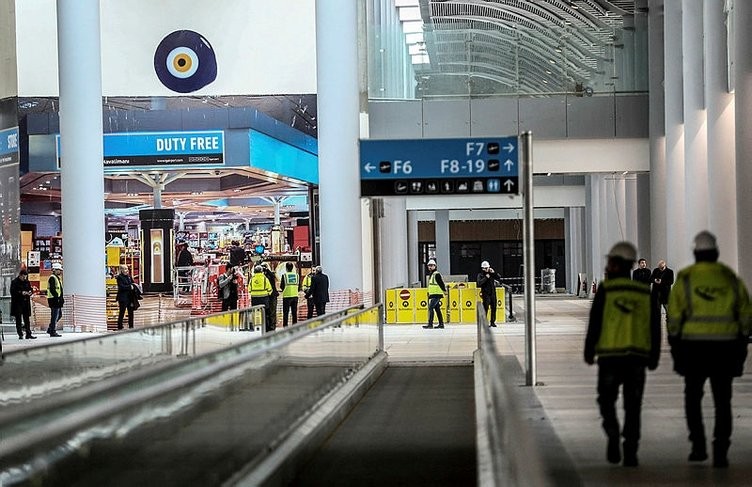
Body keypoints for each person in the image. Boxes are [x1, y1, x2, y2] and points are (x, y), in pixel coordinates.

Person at [667, 231, 751, 468]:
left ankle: (698, 446)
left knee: (693, 398)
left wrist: (675, 343)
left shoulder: (685, 278)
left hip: (694, 348)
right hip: (725, 348)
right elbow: (746, 314)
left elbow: (674, 316)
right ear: (716, 253)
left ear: (695, 253)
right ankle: (721, 449)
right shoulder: (730, 278)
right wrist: (741, 339)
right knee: (723, 400)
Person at [584, 242, 660, 467]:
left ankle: (613, 434)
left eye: (610, 262)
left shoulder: (607, 291)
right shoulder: (643, 293)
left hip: (610, 357)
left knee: (606, 401)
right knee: (633, 405)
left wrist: (589, 349)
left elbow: (595, 323)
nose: (607, 266)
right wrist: (654, 354)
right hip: (637, 358)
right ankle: (631, 449)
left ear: (618, 265)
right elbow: (654, 326)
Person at [11, 269, 35, 339]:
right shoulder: (14, 282)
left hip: (25, 302)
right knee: (18, 319)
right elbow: (13, 292)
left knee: (27, 319)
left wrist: (30, 292)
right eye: (23, 277)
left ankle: (28, 333)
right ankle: (20, 334)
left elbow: (30, 289)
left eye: (25, 277)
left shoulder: (27, 282)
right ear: (20, 275)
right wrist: (21, 292)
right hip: (18, 303)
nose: (24, 278)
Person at [477, 260, 502, 327]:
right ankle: (485, 323)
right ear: (483, 268)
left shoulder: (491, 274)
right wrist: (486, 277)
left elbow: (499, 277)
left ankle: (492, 322)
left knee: (494, 308)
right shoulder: (480, 275)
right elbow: (479, 283)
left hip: (493, 293)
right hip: (485, 294)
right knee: (486, 308)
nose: (487, 269)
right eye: (485, 268)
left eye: (487, 268)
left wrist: (494, 272)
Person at [423, 259, 447, 329]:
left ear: (435, 266)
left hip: (437, 294)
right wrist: (429, 292)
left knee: (430, 308)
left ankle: (430, 324)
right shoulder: (432, 274)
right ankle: (441, 324)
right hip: (433, 294)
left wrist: (444, 291)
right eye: (429, 266)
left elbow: (441, 283)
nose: (430, 267)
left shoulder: (436, 274)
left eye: (431, 266)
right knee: (437, 309)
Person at [248, 265, 273, 331]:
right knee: (265, 314)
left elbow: (249, 290)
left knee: (255, 313)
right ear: (261, 271)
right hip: (264, 299)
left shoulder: (252, 279)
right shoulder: (265, 279)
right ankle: (266, 328)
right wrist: (267, 294)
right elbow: (270, 289)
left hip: (255, 300)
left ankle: (255, 327)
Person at [116, 264, 138, 329]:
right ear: (121, 270)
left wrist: (134, 286)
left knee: (131, 312)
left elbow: (133, 284)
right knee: (122, 312)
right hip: (123, 298)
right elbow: (121, 287)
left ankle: (131, 326)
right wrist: (129, 287)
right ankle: (120, 326)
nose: (127, 270)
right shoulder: (119, 277)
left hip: (130, 297)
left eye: (127, 269)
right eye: (125, 269)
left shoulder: (129, 277)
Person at [46, 262, 64, 337]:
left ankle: (50, 328)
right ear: (55, 270)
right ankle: (52, 331)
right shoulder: (52, 278)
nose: (60, 271)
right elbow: (53, 289)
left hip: (56, 299)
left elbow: (59, 289)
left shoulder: (56, 278)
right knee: (55, 316)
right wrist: (57, 297)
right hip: (54, 299)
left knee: (58, 315)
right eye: (59, 270)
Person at [280, 262, 299, 327]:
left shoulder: (284, 276)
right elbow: (299, 286)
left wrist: (284, 290)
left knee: (286, 312)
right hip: (295, 296)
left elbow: (281, 286)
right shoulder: (297, 275)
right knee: (294, 312)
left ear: (286, 268)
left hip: (287, 296)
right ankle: (295, 325)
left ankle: (285, 326)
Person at [262, 263, 279, 329]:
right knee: (267, 311)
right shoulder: (262, 276)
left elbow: (273, 277)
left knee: (272, 311)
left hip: (272, 295)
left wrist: (267, 270)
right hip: (266, 296)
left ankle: (272, 326)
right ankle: (267, 325)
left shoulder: (270, 275)